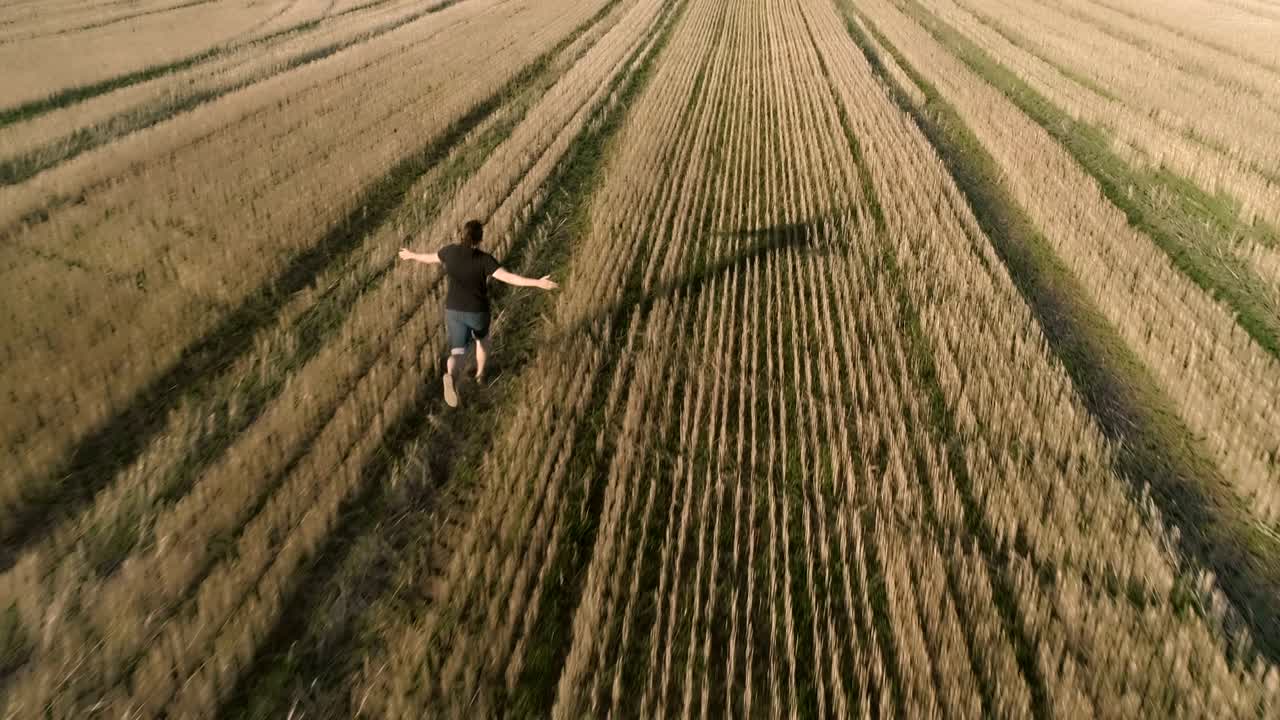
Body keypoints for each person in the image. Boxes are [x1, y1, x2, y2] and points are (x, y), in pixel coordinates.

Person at [398, 219, 557, 407]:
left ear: (462, 234)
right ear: (480, 239)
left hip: (453, 310)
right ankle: (480, 375)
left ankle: (450, 375)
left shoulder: (450, 252)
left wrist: (411, 255)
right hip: (477, 311)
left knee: (458, 352)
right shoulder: (484, 259)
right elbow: (509, 278)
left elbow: (430, 258)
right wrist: (537, 282)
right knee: (482, 341)